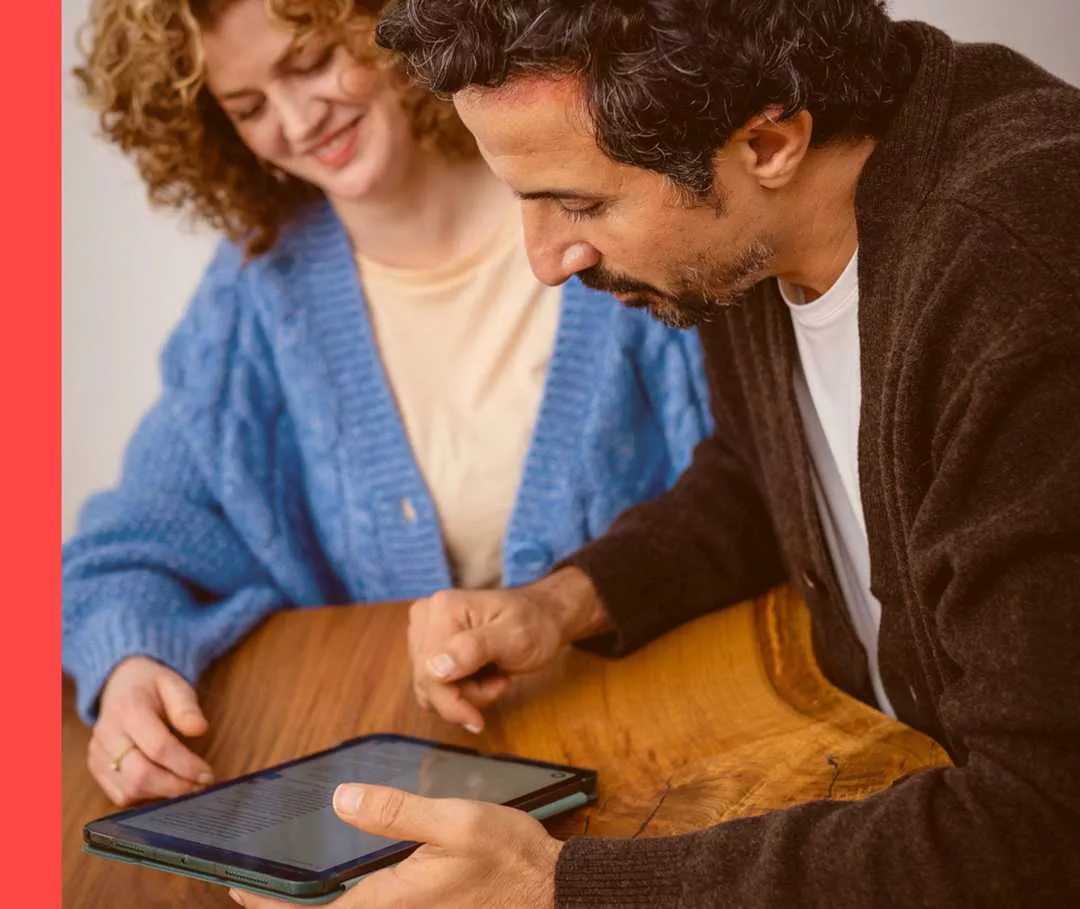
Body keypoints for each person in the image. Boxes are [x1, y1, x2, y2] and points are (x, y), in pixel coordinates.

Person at [226, 2, 1080, 907]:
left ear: (768, 142)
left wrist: (555, 888)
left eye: (580, 202)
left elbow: (1041, 826)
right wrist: (560, 603)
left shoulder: (1019, 283)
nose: (549, 259)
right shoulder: (759, 228)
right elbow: (765, 474)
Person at [62, 0, 713, 810]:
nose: (299, 122)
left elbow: (752, 495)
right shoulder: (255, 297)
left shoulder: (603, 213)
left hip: (681, 745)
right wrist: (129, 663)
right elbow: (124, 551)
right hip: (413, 787)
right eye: (249, 107)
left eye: (308, 63)